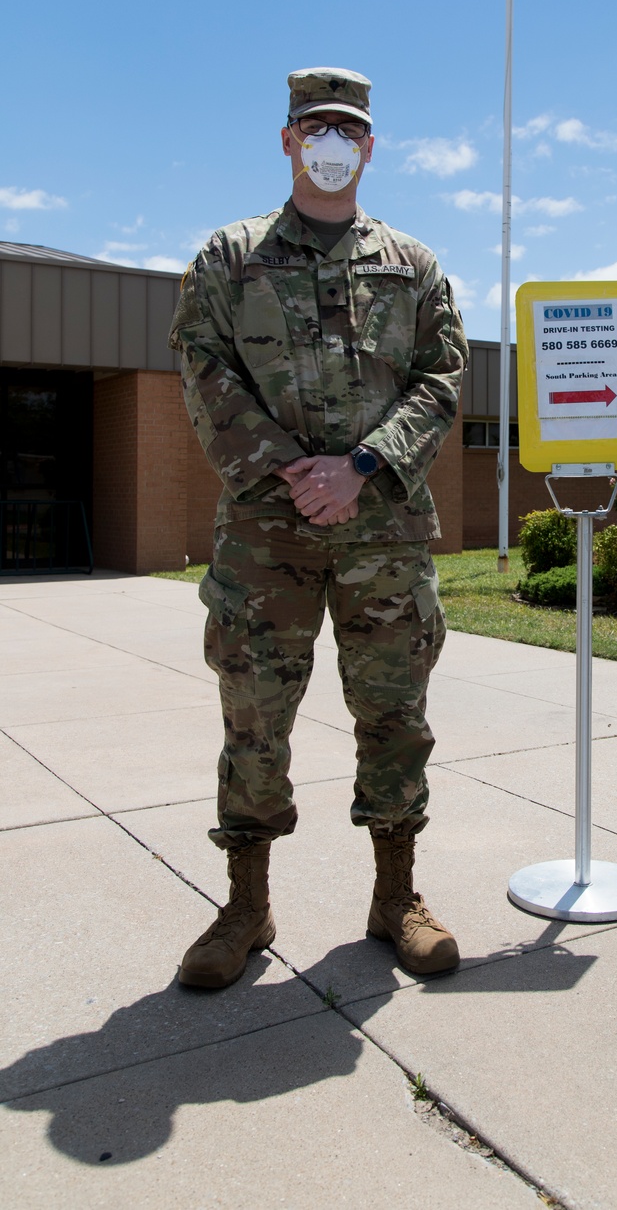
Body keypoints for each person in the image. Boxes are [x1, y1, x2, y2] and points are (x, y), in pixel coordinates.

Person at [168, 67, 468, 988]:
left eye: (349, 130)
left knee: (394, 714)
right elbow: (201, 365)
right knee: (254, 716)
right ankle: (246, 908)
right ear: (289, 140)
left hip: (382, 529)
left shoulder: (413, 266)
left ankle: (395, 899)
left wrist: (362, 465)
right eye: (316, 127)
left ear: (371, 148)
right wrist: (290, 468)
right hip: (269, 530)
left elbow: (443, 376)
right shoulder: (230, 256)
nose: (333, 142)